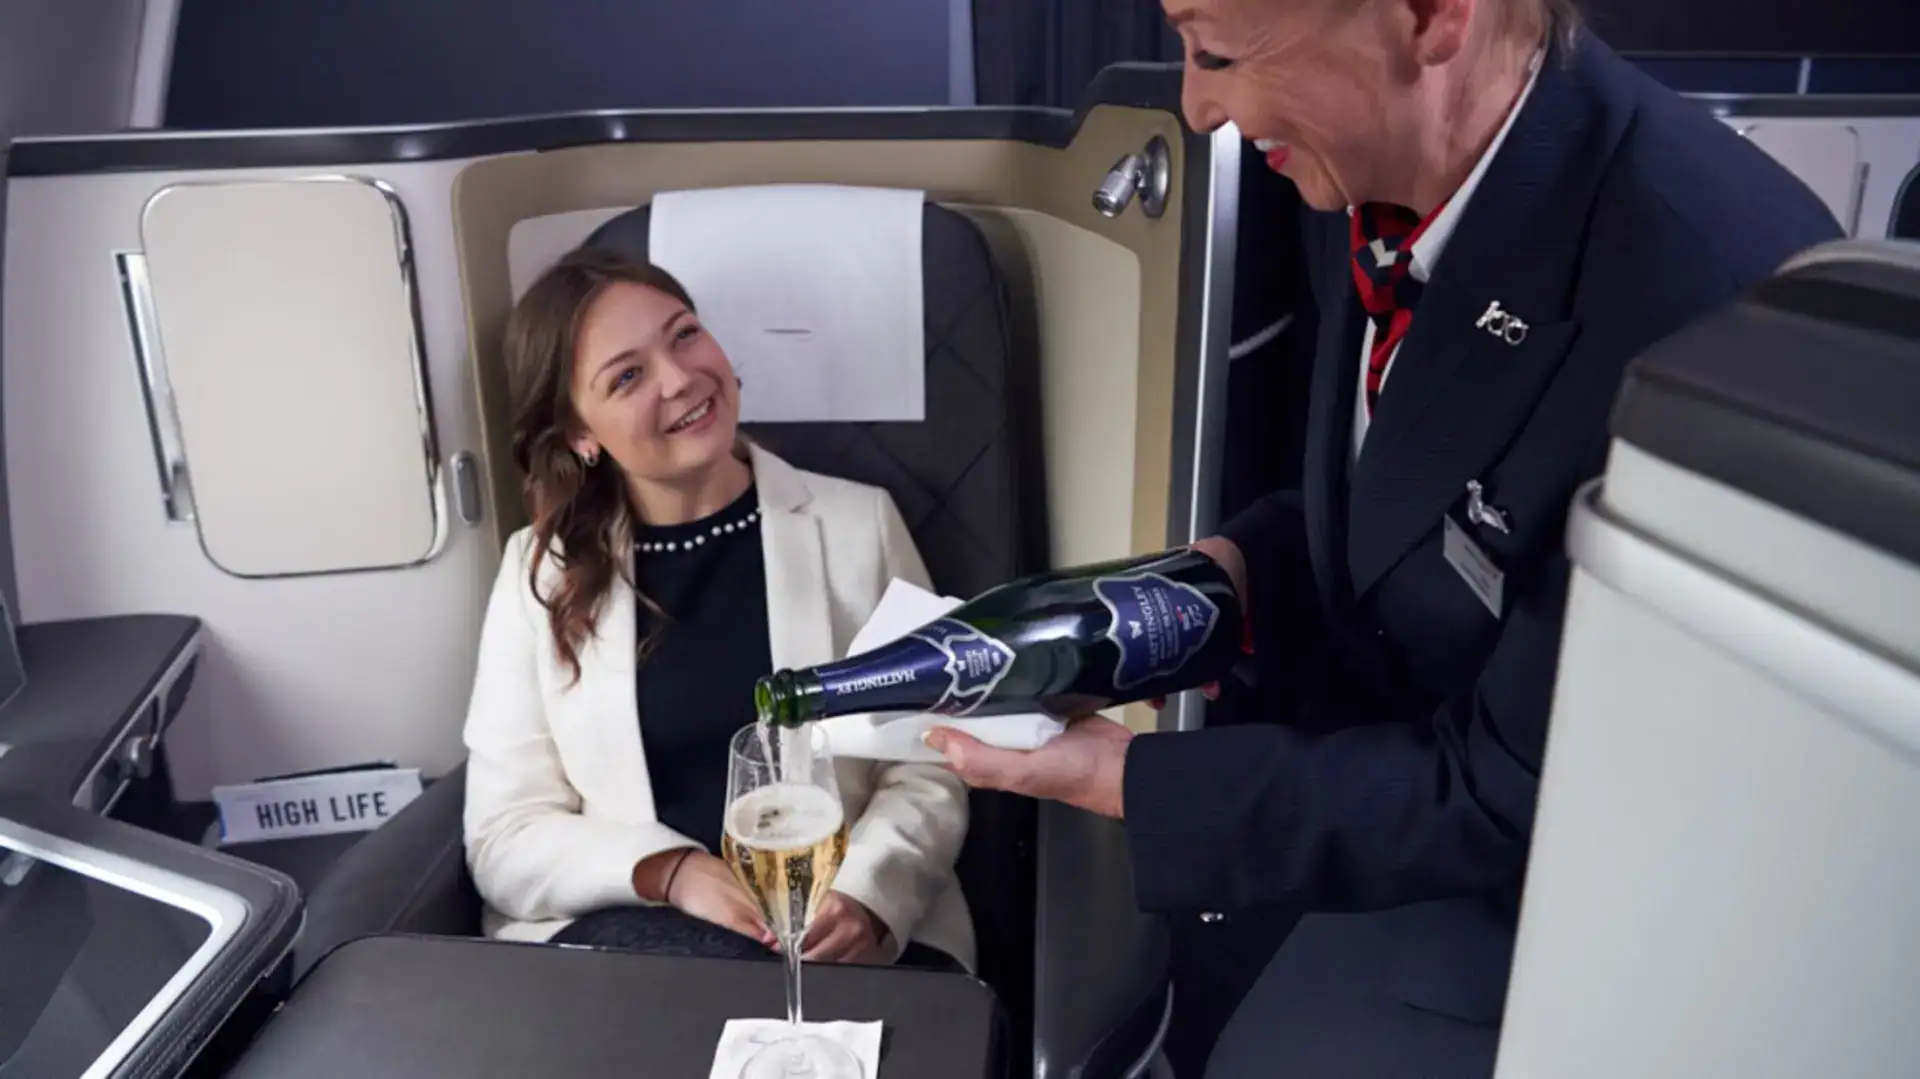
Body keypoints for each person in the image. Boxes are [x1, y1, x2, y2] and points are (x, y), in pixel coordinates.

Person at [926, 0, 1843, 1073]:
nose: (1197, 108)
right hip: (1409, 780)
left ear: (1427, 18)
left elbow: (1521, 787)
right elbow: (1395, 485)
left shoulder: (1706, 304)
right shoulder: (1368, 159)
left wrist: (1129, 780)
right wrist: (1216, 580)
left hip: (1580, 910)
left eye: (1216, 52)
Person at [461, 246, 973, 973]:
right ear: (580, 434)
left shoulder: (860, 524)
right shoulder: (537, 571)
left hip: (837, 937)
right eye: (629, 375)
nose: (680, 378)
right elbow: (503, 833)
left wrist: (866, 893)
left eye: (685, 334)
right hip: (631, 944)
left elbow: (932, 759)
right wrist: (668, 871)